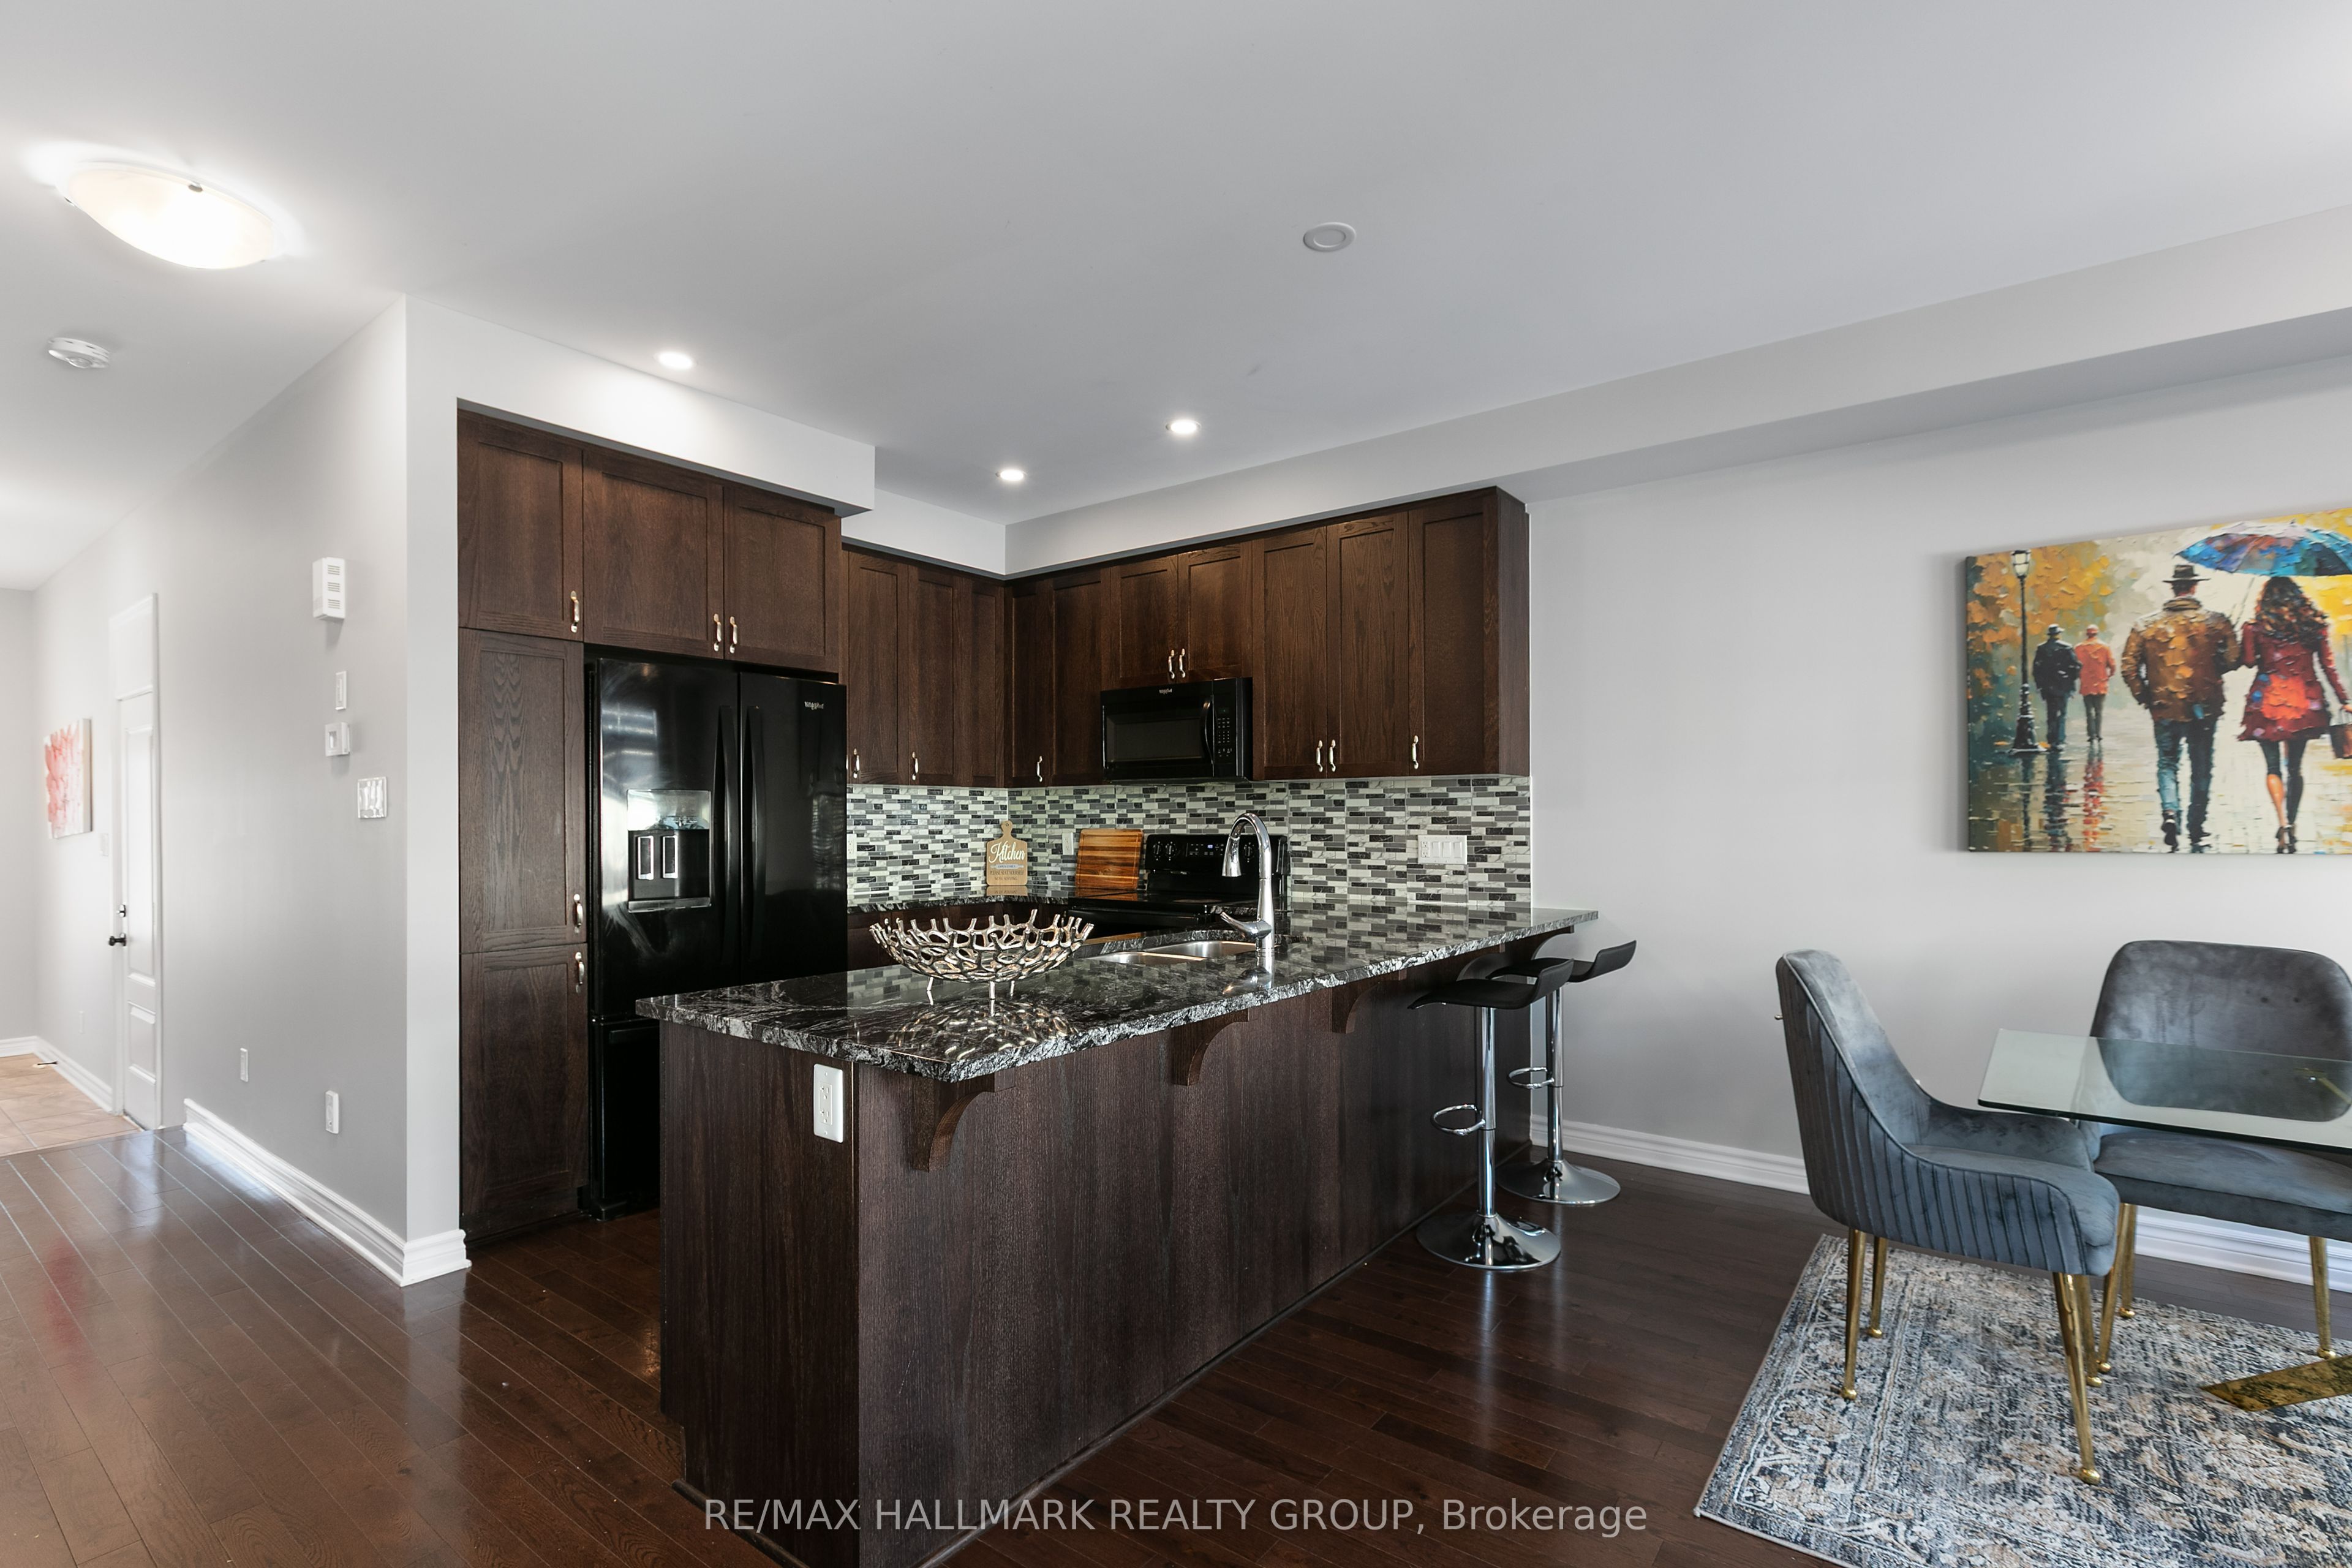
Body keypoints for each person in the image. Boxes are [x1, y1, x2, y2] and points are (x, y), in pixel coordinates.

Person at [2121, 563, 2237, 850]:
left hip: (2164, 707)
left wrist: (2145, 696)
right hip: (2204, 706)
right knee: (2202, 766)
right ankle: (2197, 825)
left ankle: (2170, 812)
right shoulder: (2216, 622)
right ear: (2194, 587)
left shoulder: (2145, 625)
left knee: (2167, 763)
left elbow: (2128, 667)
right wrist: (2218, 657)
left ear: (2174, 588)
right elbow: (2233, 660)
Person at [2236, 576, 2347, 853]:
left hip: (2267, 703)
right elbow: (2328, 667)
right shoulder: (2313, 627)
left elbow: (2248, 661)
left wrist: (2245, 637)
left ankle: (2282, 823)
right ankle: (2294, 823)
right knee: (2295, 768)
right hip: (2303, 704)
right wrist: (2345, 700)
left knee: (2272, 768)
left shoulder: (2255, 628)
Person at [2030, 625, 2079, 750]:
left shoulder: (2042, 648)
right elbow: (2076, 666)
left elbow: (2036, 669)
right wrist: (2070, 680)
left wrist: (2040, 685)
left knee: (2051, 713)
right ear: (2059, 635)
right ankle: (2060, 739)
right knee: (2062, 713)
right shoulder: (2067, 647)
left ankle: (2051, 739)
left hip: (2048, 686)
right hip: (2063, 685)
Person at [2074, 625, 2115, 745]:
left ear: (2087, 634)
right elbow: (2112, 665)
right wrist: (2109, 675)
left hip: (2086, 684)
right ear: (2097, 634)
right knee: (2099, 711)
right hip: (2101, 683)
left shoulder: (2079, 648)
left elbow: (2075, 666)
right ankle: (2098, 734)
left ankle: (2091, 735)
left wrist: (2079, 676)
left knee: (2089, 711)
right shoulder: (2105, 647)